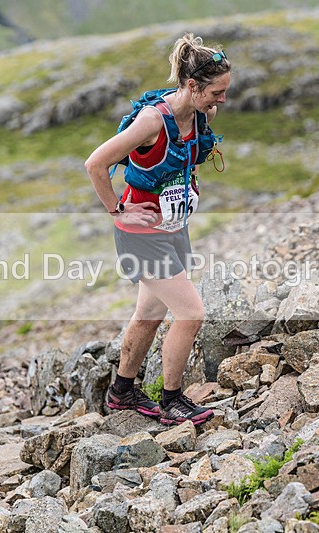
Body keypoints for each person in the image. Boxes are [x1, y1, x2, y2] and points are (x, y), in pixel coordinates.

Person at [85, 33, 231, 426]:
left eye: (225, 91)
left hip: (173, 227)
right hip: (141, 233)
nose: (222, 100)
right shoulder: (151, 122)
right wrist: (118, 211)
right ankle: (172, 401)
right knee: (191, 313)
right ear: (191, 85)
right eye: (216, 92)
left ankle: (122, 391)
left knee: (149, 312)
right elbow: (95, 164)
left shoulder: (203, 116)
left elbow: (188, 159)